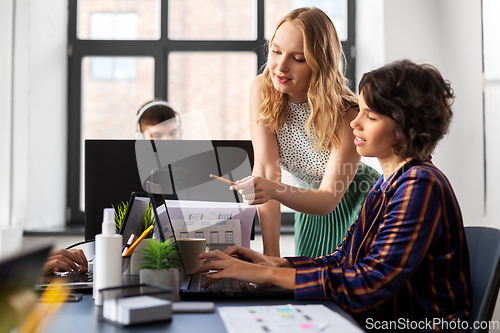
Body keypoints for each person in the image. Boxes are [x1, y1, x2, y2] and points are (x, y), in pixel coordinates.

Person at [195, 60, 471, 330]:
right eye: (360, 110)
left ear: (407, 127)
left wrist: (266, 274)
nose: (355, 123)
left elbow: (369, 283)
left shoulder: (419, 185)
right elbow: (343, 259)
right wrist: (276, 263)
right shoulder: (388, 184)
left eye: (370, 116)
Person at [235, 7, 379, 257]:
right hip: (305, 206)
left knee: (343, 285)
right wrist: (270, 257)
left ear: (320, 63)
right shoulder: (262, 89)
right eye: (276, 51)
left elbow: (327, 200)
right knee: (300, 286)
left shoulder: (348, 113)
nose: (280, 66)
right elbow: (267, 171)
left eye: (297, 58)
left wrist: (272, 189)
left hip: (357, 203)